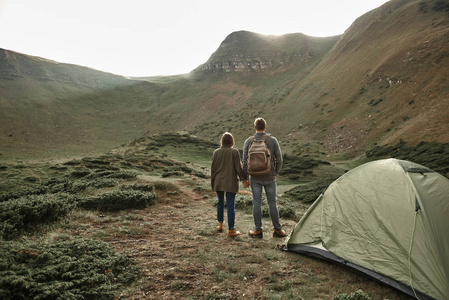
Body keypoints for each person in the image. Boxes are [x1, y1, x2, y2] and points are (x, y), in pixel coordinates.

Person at [242, 118, 286, 238]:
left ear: (255, 127)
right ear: (265, 127)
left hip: (254, 177)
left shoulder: (248, 141)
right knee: (272, 202)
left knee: (257, 202)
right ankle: (278, 230)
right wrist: (275, 172)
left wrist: (245, 178)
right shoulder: (272, 140)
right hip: (269, 176)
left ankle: (258, 231)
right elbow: (279, 159)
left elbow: (245, 162)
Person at [211, 132, 249, 238]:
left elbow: (213, 168)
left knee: (220, 202)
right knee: (230, 204)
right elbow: (238, 168)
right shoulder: (234, 152)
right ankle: (231, 230)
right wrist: (244, 179)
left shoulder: (216, 152)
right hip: (230, 182)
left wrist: (213, 182)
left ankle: (220, 225)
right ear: (232, 142)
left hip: (218, 181)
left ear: (222, 141)